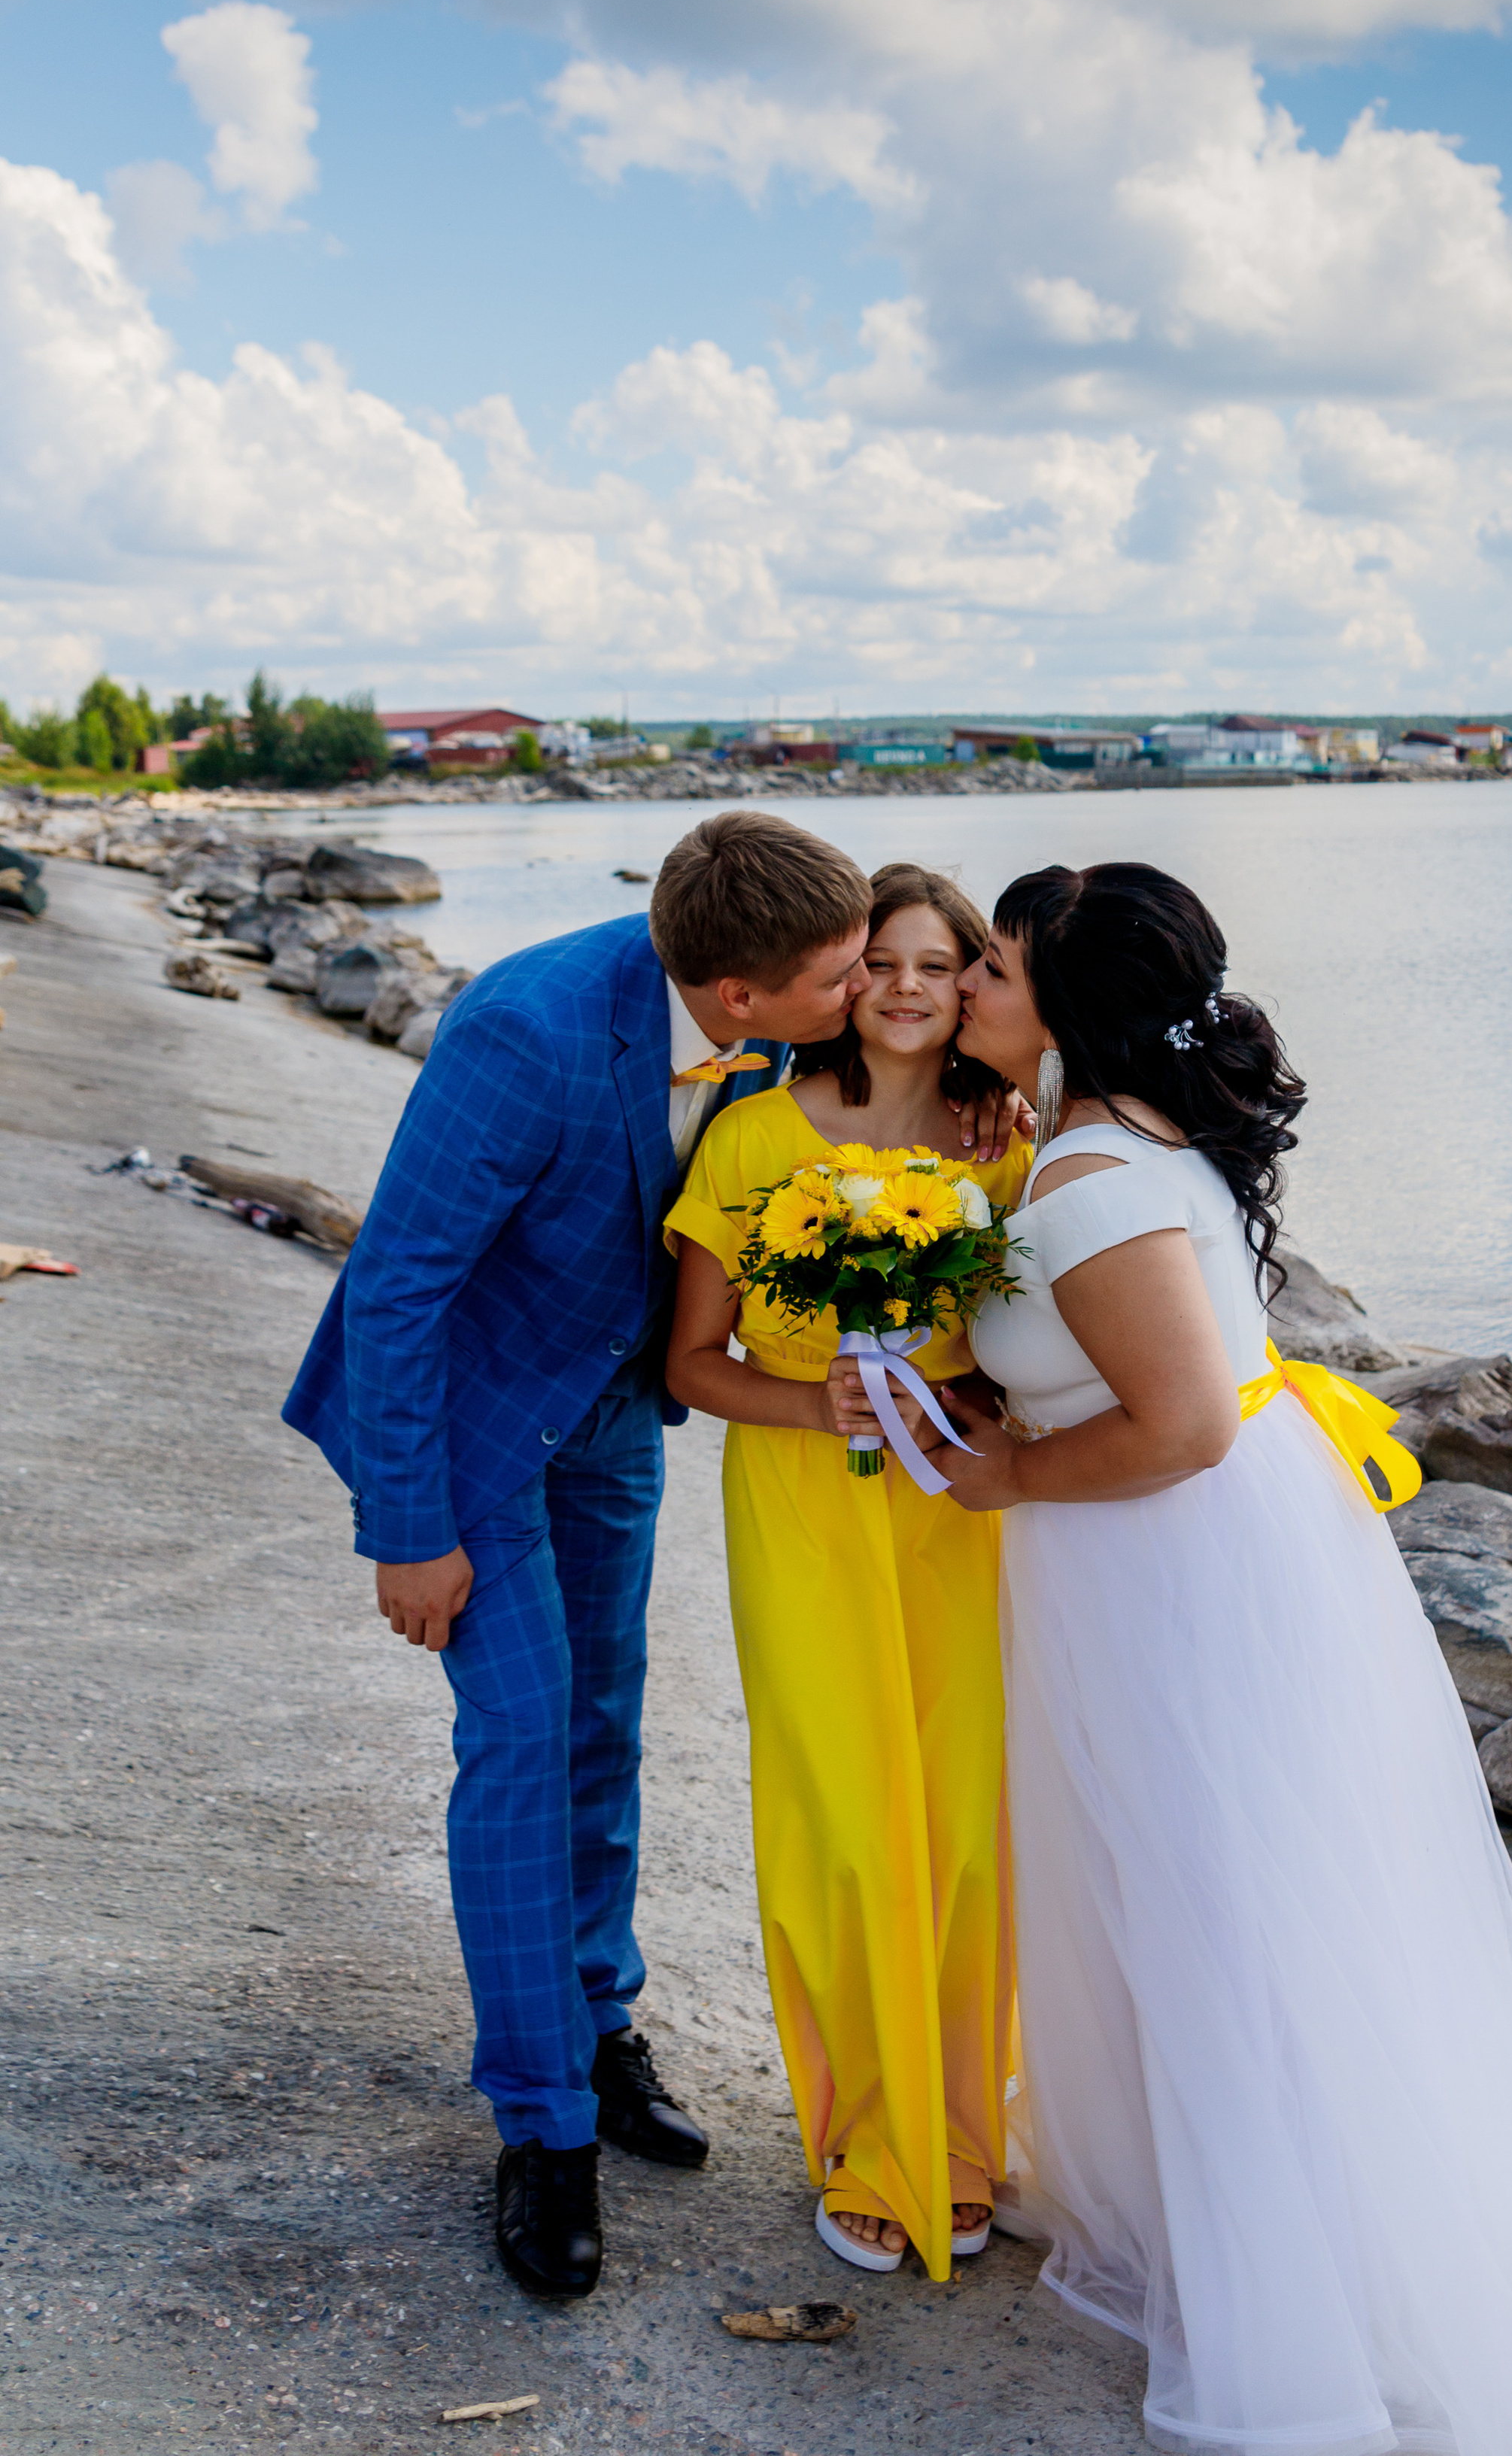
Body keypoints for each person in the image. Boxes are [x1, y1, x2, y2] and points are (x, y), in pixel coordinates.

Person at [928, 863, 1512, 2456]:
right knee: (1213, 1886)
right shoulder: (1118, 1139)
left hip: (1164, 1559)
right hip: (1177, 1551)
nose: (968, 989)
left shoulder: (1088, 1178)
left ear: (1067, 1007)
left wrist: (1009, 1472)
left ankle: (1289, 2305)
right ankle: (1238, 2225)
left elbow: (1183, 1426)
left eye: (993, 966)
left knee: (1214, 1902)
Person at [282, 811, 882, 2300]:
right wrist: (408, 1531)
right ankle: (542, 2125)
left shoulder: (773, 1021)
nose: (864, 991)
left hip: (612, 1411)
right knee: (524, 1736)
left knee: (606, 1720)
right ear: (737, 993)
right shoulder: (524, 1034)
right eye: (842, 975)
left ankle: (600, 2023)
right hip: (474, 1425)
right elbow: (397, 1286)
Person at [663, 864, 1028, 2282]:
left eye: (939, 966)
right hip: (803, 1508)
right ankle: (866, 2139)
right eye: (879, 962)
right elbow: (692, 1366)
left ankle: (962, 2135)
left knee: (964, 1830)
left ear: (971, 985)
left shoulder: (1001, 1149)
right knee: (844, 1829)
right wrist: (817, 1404)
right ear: (838, 976)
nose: (905, 989)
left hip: (955, 1515)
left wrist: (967, 1403)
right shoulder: (753, 1135)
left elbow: (1034, 1355)